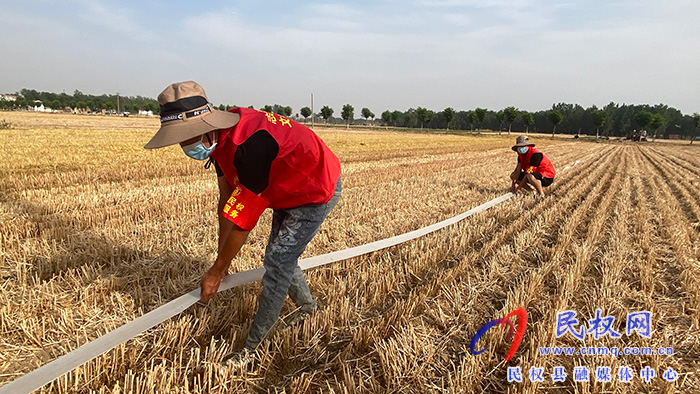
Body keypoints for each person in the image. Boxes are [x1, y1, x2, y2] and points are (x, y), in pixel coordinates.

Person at [144, 81, 341, 367]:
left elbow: (242, 222)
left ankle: (253, 348)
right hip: (283, 185)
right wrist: (219, 259)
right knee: (280, 255)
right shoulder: (219, 141)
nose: (186, 146)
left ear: (207, 127)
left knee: (278, 261)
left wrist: (218, 270)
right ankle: (309, 307)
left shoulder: (250, 146)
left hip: (314, 186)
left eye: (189, 138)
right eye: (181, 140)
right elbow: (228, 202)